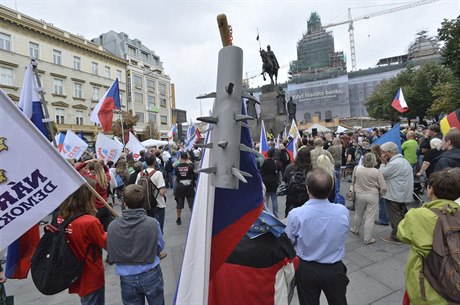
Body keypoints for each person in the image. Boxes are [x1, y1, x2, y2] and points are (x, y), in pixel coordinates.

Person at [285, 168, 350, 305]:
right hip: (334, 269)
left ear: (307, 189)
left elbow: (288, 242)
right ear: (331, 189)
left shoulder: (296, 214)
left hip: (306, 268)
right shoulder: (342, 211)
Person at [397, 171, 460, 305]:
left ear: (431, 190)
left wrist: (424, 208)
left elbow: (402, 234)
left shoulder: (419, 215)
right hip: (454, 281)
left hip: (427, 285)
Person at [107, 185, 165, 305]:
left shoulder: (112, 226)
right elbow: (159, 246)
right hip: (150, 272)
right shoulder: (152, 223)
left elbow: (112, 250)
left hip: (127, 276)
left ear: (124, 203)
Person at [56, 183, 107, 305]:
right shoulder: (89, 222)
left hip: (74, 271)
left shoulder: (60, 217)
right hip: (91, 274)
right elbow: (106, 243)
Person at [379, 142, 414, 244]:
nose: (381, 154)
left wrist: (382, 162)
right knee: (400, 213)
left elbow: (381, 174)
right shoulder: (402, 161)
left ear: (389, 152)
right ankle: (403, 233)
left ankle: (396, 236)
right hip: (401, 193)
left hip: (395, 194)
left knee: (395, 215)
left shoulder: (395, 163)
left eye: (383, 152)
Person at [349, 153, 387, 245]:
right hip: (373, 195)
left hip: (359, 194)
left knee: (358, 213)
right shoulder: (376, 171)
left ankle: (355, 229)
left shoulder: (357, 168)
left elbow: (353, 181)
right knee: (370, 217)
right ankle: (367, 238)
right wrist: (381, 193)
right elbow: (384, 187)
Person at [136, 153, 167, 233]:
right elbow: (162, 192)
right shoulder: (158, 173)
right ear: (155, 162)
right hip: (158, 203)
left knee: (149, 229)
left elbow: (136, 188)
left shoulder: (140, 174)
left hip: (145, 204)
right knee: (159, 228)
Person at [285, 147, 312, 217]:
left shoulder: (289, 168)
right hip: (308, 204)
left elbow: (286, 181)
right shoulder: (313, 170)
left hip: (292, 204)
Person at [174, 152, 196, 225]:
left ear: (181, 158)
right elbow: (194, 175)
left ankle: (178, 218)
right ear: (187, 158)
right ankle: (193, 218)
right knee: (191, 202)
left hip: (180, 186)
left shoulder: (177, 167)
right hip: (189, 185)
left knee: (179, 203)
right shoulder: (190, 166)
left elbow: (176, 175)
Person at [260, 148, 279, 218]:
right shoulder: (275, 163)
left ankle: (267, 214)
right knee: (274, 199)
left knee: (266, 198)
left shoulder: (264, 162)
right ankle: (276, 214)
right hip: (273, 182)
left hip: (265, 182)